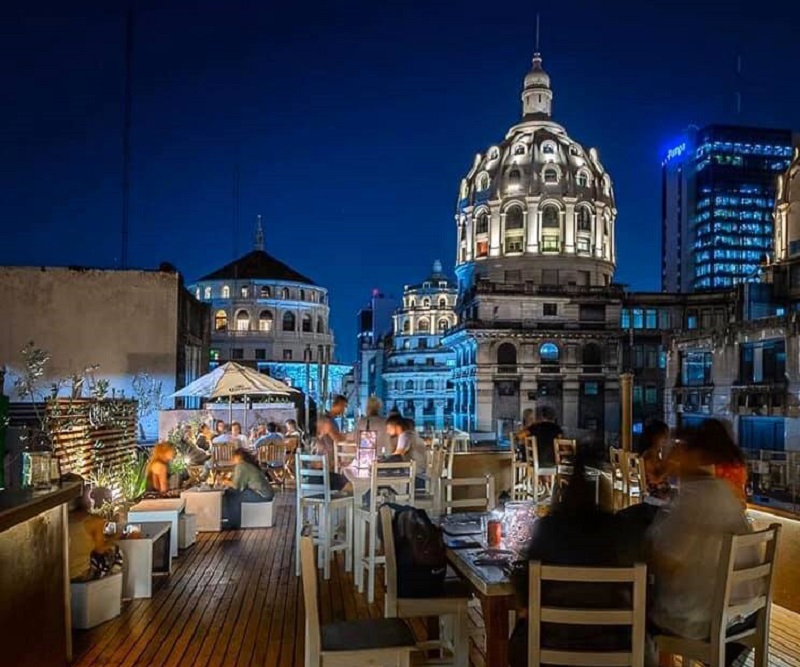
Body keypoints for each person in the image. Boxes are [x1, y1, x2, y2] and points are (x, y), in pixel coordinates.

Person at [508, 457, 641, 667]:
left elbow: (524, 583)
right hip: (614, 647)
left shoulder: (548, 528)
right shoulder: (621, 531)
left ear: (562, 496)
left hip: (551, 645)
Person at [647, 424, 759, 665]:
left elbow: (665, 560)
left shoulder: (693, 500)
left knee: (643, 611)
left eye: (680, 451)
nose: (675, 457)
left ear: (696, 455)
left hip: (709, 623)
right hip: (746, 614)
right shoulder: (725, 492)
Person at [222, 447, 275, 529]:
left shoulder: (241, 466)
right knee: (232, 493)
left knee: (231, 496)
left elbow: (236, 486)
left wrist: (225, 481)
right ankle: (231, 519)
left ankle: (233, 522)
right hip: (267, 494)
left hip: (260, 495)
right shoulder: (249, 465)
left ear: (238, 457)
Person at [385, 414, 427, 489]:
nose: (387, 431)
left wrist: (382, 462)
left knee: (382, 476)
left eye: (388, 427)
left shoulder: (405, 436)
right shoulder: (412, 434)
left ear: (395, 426)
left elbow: (397, 456)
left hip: (415, 475)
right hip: (421, 473)